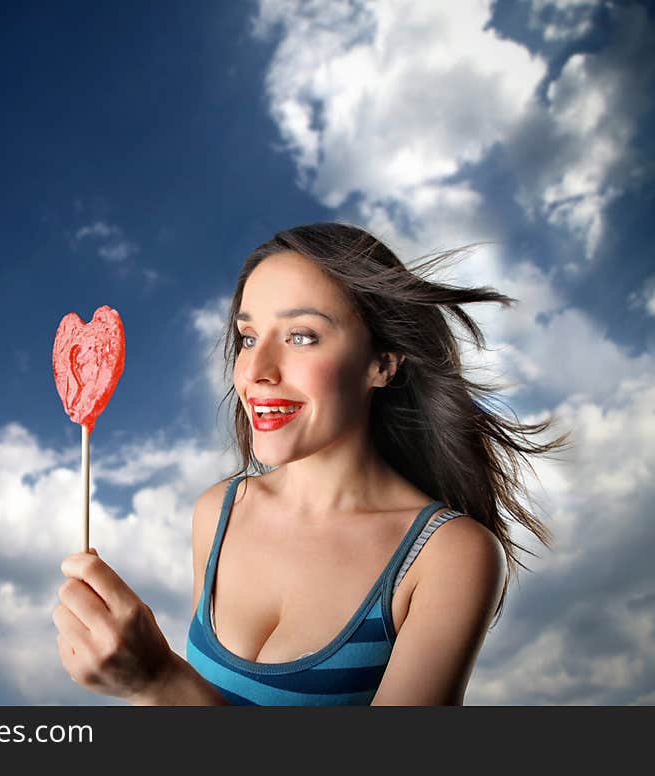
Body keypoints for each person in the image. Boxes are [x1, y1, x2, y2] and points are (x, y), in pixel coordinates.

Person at [52, 222, 569, 705]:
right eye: (248, 338)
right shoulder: (218, 511)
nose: (255, 370)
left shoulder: (448, 557)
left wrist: (160, 682)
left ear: (382, 363)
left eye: (301, 336)